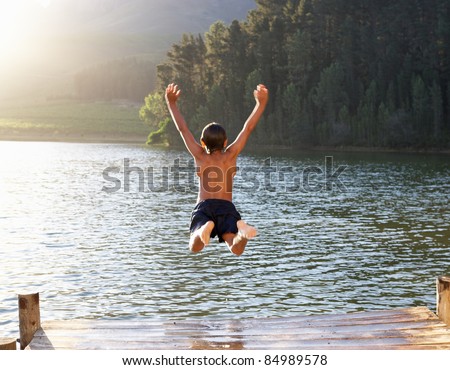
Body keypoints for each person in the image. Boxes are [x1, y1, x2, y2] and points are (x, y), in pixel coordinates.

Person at [165, 83, 269, 256]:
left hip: (204, 207)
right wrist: (261, 104)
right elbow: (248, 128)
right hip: (226, 207)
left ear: (203, 143)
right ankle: (242, 234)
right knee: (235, 248)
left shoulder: (200, 155)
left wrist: (172, 103)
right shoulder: (231, 155)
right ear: (226, 142)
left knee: (195, 246)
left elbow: (182, 129)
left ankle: (203, 229)